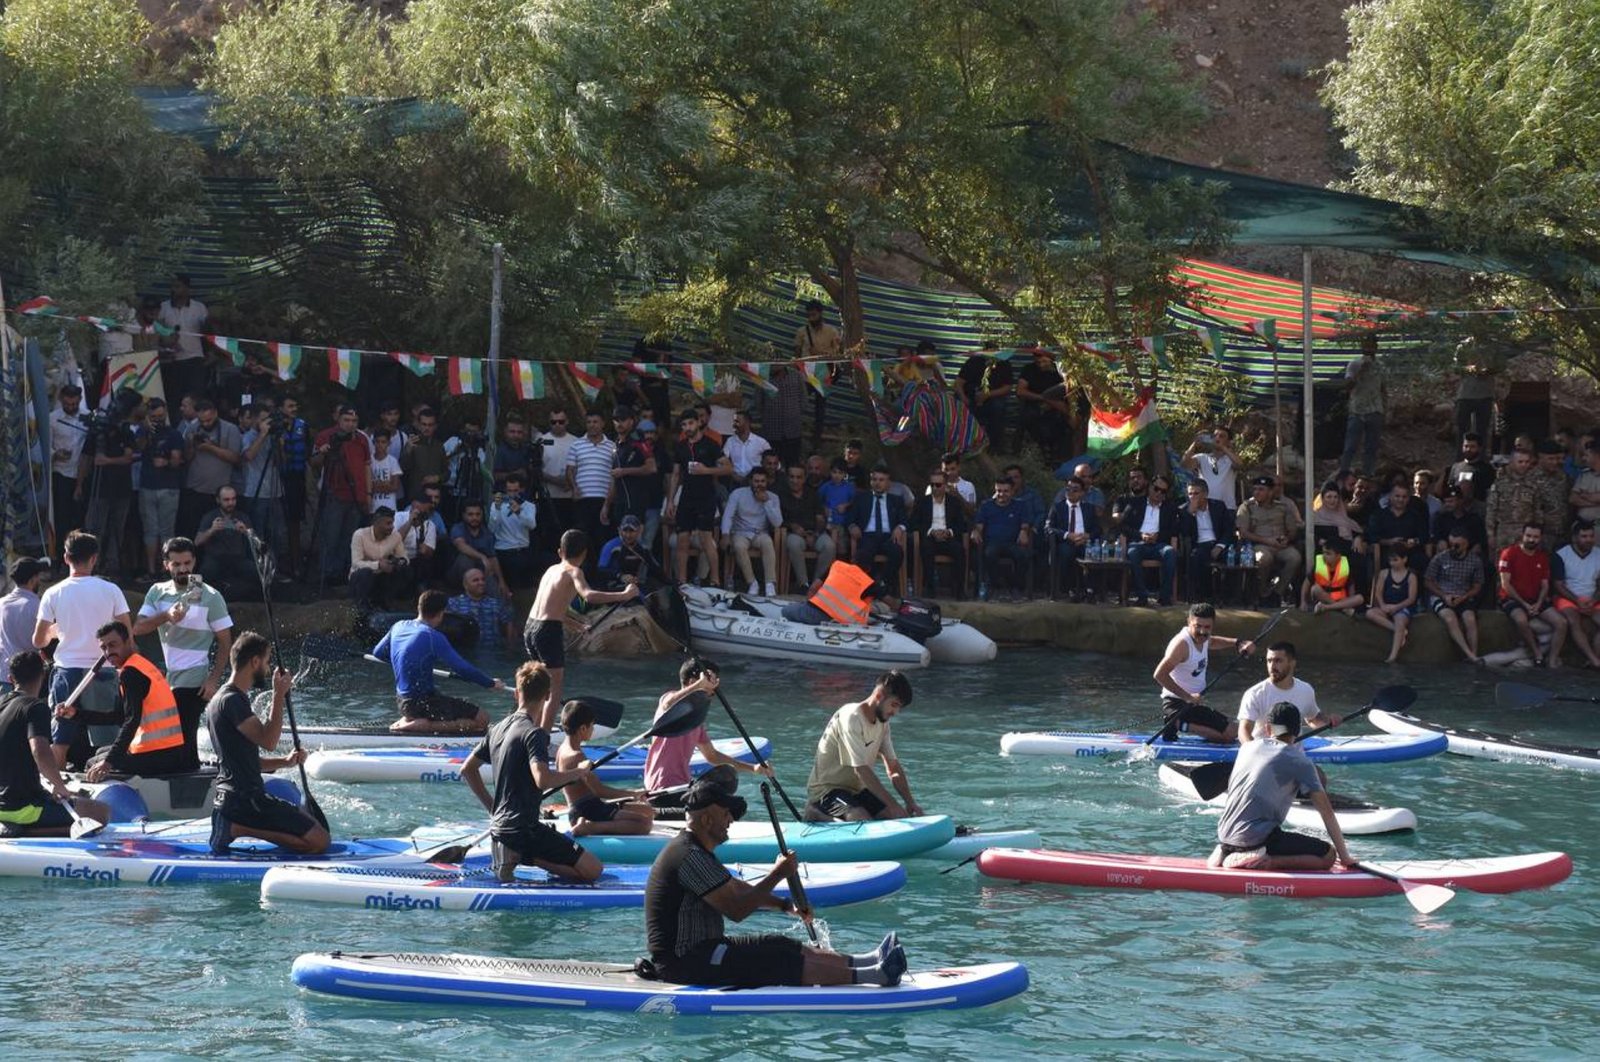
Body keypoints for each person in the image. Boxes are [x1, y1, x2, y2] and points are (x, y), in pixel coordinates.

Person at [644, 774, 905, 988]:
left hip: (708, 949)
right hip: (684, 965)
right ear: (707, 818)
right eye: (726, 814)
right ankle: (875, 976)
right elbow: (737, 910)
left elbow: (735, 888)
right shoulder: (689, 856)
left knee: (778, 944)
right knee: (777, 960)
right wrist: (777, 874)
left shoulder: (696, 850)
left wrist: (783, 905)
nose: (731, 821)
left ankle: (866, 960)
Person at [460, 661, 605, 883]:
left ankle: (517, 853)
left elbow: (467, 769)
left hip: (500, 828)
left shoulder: (497, 729)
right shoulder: (533, 734)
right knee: (593, 870)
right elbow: (543, 780)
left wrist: (493, 809)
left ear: (516, 693)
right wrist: (578, 772)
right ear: (548, 696)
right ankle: (526, 857)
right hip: (524, 830)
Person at [205, 632, 329, 855]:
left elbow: (244, 761)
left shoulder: (219, 699)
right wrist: (279, 695)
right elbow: (269, 740)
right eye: (266, 661)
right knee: (320, 841)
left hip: (231, 799)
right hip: (246, 799)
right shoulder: (232, 701)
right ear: (254, 661)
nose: (268, 667)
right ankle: (236, 829)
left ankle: (233, 825)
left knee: (313, 834)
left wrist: (286, 761)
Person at [1209, 703, 1355, 871]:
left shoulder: (1247, 748)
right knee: (1328, 855)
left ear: (1268, 728)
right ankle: (1266, 861)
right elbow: (1326, 812)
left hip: (1225, 835)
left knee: (1264, 832)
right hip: (1256, 839)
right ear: (1297, 731)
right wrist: (1345, 857)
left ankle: (1227, 850)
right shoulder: (1299, 761)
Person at [523, 530, 640, 729]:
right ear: (584, 554)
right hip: (547, 631)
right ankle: (541, 740)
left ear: (560, 551)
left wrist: (577, 626)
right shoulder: (574, 571)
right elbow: (589, 596)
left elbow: (551, 610)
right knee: (554, 690)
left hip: (530, 628)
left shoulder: (551, 570)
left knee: (538, 687)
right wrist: (624, 595)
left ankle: (527, 729)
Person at [33, 532, 131, 769]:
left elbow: (38, 641)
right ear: (94, 559)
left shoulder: (53, 593)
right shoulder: (111, 590)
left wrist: (54, 632)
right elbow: (127, 635)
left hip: (67, 669)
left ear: (66, 557)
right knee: (107, 738)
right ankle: (111, 787)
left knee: (61, 738)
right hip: (105, 668)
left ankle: (56, 789)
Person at [133, 537, 232, 760]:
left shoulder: (210, 596)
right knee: (172, 738)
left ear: (194, 562)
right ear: (166, 564)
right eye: (176, 564)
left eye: (187, 563)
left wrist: (213, 680)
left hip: (194, 680)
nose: (183, 569)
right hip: (168, 679)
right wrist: (166, 616)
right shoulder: (158, 592)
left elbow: (225, 642)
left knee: (181, 737)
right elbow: (138, 628)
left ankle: (189, 776)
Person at [0, 651, 112, 836]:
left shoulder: (3, 705)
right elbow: (40, 750)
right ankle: (23, 832)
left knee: (71, 800)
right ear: (43, 675)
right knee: (101, 813)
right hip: (22, 808)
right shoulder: (35, 707)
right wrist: (59, 785)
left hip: (6, 803)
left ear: (10, 678)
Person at [643, 661, 773, 809]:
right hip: (662, 791)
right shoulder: (669, 701)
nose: (713, 692)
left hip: (683, 788)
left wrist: (753, 768)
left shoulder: (695, 722)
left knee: (731, 792)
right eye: (711, 685)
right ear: (693, 681)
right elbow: (668, 704)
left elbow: (712, 756)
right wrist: (698, 685)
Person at [372, 591, 503, 734]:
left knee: (443, 700)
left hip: (403, 702)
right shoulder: (433, 636)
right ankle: (422, 725)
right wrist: (489, 683)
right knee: (482, 719)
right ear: (441, 613)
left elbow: (378, 653)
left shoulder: (399, 626)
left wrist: (405, 663)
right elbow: (462, 668)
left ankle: (412, 720)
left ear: (419, 608)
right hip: (422, 703)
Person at [77, 622, 193, 779]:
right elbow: (119, 716)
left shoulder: (130, 673)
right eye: (103, 648)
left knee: (93, 763)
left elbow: (131, 721)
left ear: (128, 642)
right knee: (100, 752)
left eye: (113, 645)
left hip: (157, 754)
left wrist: (108, 762)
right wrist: (76, 714)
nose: (108, 652)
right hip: (170, 751)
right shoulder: (141, 664)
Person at [805, 670, 922, 822]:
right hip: (827, 790)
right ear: (879, 695)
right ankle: (814, 811)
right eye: (894, 705)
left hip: (856, 791)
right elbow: (861, 770)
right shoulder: (851, 717)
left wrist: (910, 803)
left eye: (899, 707)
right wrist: (893, 805)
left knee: (894, 817)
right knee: (861, 819)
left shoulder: (883, 724)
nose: (896, 712)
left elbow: (893, 769)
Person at [1153, 603, 1256, 743]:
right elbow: (1159, 674)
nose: (1202, 631)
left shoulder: (1204, 638)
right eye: (1198, 626)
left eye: (1207, 627)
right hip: (1177, 705)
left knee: (1235, 731)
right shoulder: (1181, 645)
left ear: (1212, 625)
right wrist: (1187, 696)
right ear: (1189, 622)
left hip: (1192, 705)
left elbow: (1212, 642)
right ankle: (1178, 723)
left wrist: (1238, 643)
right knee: (1233, 733)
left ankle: (1179, 723)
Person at [555, 698, 655, 836]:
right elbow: (599, 790)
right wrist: (633, 794)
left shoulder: (561, 750)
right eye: (592, 725)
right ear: (583, 728)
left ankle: (594, 824)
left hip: (582, 808)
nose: (593, 729)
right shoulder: (576, 756)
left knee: (648, 811)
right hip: (588, 812)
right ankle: (590, 827)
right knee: (644, 824)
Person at [666, 410, 731, 586]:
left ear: (698, 422)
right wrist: (671, 500)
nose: (687, 428)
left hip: (706, 496)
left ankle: (715, 580)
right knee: (682, 540)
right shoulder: (680, 446)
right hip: (686, 497)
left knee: (705, 539)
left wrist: (706, 470)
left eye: (690, 423)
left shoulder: (711, 444)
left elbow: (727, 468)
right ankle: (682, 581)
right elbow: (676, 474)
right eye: (684, 425)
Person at [310, 405, 372, 585]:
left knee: (350, 537)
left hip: (357, 495)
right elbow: (314, 462)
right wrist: (323, 452)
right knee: (331, 535)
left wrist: (368, 494)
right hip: (334, 493)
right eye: (346, 420)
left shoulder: (362, 439)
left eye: (354, 421)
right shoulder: (326, 435)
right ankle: (326, 575)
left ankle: (342, 574)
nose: (350, 424)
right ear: (339, 420)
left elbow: (367, 466)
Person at [1236, 642, 1340, 742]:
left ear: (1292, 663)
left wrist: (1328, 722)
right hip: (1264, 754)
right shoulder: (1254, 693)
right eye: (1269, 661)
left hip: (1294, 754)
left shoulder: (1305, 689)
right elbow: (1243, 731)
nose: (1272, 666)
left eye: (1278, 661)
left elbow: (1313, 720)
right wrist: (1251, 751)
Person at [1498, 523, 1568, 667]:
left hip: (1536, 599)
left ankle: (1552, 660)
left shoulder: (1542, 557)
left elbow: (1545, 585)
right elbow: (1506, 584)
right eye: (1528, 536)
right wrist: (1524, 604)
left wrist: (1538, 603)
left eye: (1535, 537)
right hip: (1512, 598)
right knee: (1521, 620)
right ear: (1522, 536)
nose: (1531, 539)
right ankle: (1537, 654)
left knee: (1562, 623)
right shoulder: (1509, 553)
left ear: (1540, 538)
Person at [134, 397, 186, 578]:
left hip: (169, 487)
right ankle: (151, 570)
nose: (158, 420)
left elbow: (177, 460)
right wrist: (146, 432)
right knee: (150, 530)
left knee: (166, 531)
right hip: (147, 486)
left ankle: (166, 570)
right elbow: (138, 448)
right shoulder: (143, 431)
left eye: (161, 416)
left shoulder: (174, 434)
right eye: (154, 417)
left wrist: (166, 462)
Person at [1238, 475, 1303, 606]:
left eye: (1261, 489)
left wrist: (1288, 538)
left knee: (1295, 557)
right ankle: (1262, 592)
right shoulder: (1247, 507)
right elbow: (1243, 533)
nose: (1257, 492)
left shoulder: (1282, 508)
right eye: (1255, 489)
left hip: (1280, 545)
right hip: (1258, 545)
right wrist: (1267, 541)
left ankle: (1277, 593)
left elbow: (1292, 530)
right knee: (1264, 558)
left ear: (1271, 492)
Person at [1424, 531, 1485, 664]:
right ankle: (1470, 655)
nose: (1453, 548)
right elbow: (1428, 581)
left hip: (1464, 595)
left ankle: (1474, 652)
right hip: (1442, 595)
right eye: (1451, 544)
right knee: (1450, 618)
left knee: (1469, 618)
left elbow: (1477, 586)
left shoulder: (1475, 561)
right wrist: (1443, 595)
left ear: (1466, 544)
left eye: (1457, 545)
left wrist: (1465, 596)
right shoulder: (1440, 558)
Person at [1118, 473, 1179, 607]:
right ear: (1150, 487)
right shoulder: (1135, 503)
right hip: (1139, 542)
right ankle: (1142, 595)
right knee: (1133, 552)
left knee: (1170, 552)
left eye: (1163, 491)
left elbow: (1173, 530)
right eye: (1156, 489)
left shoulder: (1170, 508)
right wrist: (1141, 535)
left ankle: (1164, 596)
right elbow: (1123, 526)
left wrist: (1158, 535)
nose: (1158, 493)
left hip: (1159, 544)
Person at [721, 467, 784, 595]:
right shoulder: (738, 494)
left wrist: (766, 502)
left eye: (762, 481)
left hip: (760, 533)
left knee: (768, 543)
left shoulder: (773, 497)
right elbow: (728, 515)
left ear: (767, 482)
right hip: (740, 532)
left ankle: (770, 583)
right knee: (739, 546)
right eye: (756, 481)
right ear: (750, 481)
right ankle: (752, 582)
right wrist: (725, 534)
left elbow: (778, 522)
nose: (759, 484)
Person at [567, 409, 617, 565]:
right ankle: (584, 573)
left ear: (602, 424)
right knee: (582, 537)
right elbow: (570, 470)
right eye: (589, 422)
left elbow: (614, 475)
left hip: (603, 500)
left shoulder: (612, 446)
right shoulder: (576, 445)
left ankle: (602, 573)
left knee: (601, 537)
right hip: (583, 499)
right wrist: (574, 488)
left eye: (595, 422)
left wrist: (609, 502)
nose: (592, 425)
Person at [971, 475, 1033, 601]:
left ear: (1012, 491)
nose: (1001, 494)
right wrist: (976, 532)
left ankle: (1016, 588)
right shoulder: (986, 506)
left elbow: (1025, 524)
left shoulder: (1020, 505)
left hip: (1013, 543)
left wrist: (1024, 531)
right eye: (999, 491)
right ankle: (994, 587)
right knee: (989, 554)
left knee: (1023, 555)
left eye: (1005, 491)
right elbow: (979, 526)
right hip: (992, 543)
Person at [778, 464, 835, 594]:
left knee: (829, 546)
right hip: (794, 533)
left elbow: (820, 518)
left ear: (804, 479)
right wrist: (792, 526)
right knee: (793, 543)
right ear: (787, 478)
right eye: (792, 477)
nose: (795, 480)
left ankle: (816, 586)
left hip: (815, 532)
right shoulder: (781, 495)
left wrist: (815, 534)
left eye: (799, 477)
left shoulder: (812, 494)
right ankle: (803, 584)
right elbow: (777, 520)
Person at [848, 466, 908, 587]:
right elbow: (850, 518)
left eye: (881, 480)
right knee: (863, 554)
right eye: (874, 479)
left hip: (888, 537)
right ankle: (866, 587)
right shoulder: (861, 498)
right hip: (867, 536)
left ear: (888, 483)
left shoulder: (896, 500)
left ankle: (883, 584)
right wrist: (852, 526)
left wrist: (900, 528)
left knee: (897, 552)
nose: (877, 483)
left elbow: (905, 520)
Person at [914, 470, 970, 598]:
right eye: (932, 484)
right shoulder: (922, 501)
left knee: (959, 550)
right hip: (930, 537)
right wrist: (931, 531)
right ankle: (929, 588)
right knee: (926, 548)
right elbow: (914, 523)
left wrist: (949, 532)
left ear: (945, 485)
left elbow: (961, 524)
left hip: (948, 537)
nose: (934, 487)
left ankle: (959, 590)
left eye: (938, 485)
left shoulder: (954, 502)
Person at [1178, 478, 1234, 604]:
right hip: (1199, 544)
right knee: (1196, 557)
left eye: (1196, 494)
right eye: (1190, 494)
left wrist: (1220, 546)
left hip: (1217, 543)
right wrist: (1190, 513)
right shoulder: (1184, 509)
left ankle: (1230, 596)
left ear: (1205, 494)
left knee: (1232, 558)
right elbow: (1184, 533)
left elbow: (1228, 530)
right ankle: (1203, 596)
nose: (1192, 497)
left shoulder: (1218, 506)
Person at [1553, 519, 1600, 668]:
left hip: (1592, 598)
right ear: (1575, 538)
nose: (1588, 540)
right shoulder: (1561, 555)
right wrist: (1577, 601)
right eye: (1584, 536)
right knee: (1573, 620)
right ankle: (1593, 659)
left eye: (1591, 536)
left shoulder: (1599, 554)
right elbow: (1558, 585)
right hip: (1567, 597)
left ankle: (1594, 658)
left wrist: (1593, 601)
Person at [194, 485, 257, 594]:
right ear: (218, 500)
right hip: (215, 558)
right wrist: (212, 530)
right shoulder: (210, 516)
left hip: (238, 558)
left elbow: (258, 543)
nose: (230, 503)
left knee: (258, 574)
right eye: (226, 500)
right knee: (197, 580)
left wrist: (246, 532)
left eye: (233, 499)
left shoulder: (242, 516)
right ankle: (192, 606)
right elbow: (197, 542)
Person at [156, 275, 208, 404]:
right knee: (174, 399)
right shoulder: (163, 307)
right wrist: (167, 343)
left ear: (187, 289)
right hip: (172, 360)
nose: (174, 290)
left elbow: (207, 334)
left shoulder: (200, 308)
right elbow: (156, 332)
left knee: (195, 398)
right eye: (172, 286)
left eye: (178, 286)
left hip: (195, 359)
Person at [49, 384, 88, 555]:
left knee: (80, 516)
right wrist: (56, 454)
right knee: (62, 517)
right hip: (61, 473)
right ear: (61, 401)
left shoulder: (87, 417)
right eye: (67, 404)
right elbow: (46, 445)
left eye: (74, 404)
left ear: (79, 400)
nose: (71, 408)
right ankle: (61, 555)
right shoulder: (53, 418)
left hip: (83, 474)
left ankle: (81, 554)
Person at [1340, 333, 1385, 474]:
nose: (1369, 348)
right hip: (1357, 410)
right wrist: (1361, 370)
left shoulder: (1380, 366)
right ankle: (1344, 472)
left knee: (1371, 447)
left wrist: (1386, 409)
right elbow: (1347, 386)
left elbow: (1383, 388)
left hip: (1375, 410)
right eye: (1366, 345)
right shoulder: (1354, 364)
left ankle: (1368, 475)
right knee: (1350, 446)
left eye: (1372, 345)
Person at [1366, 548, 1420, 663]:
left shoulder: (1411, 576)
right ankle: (1399, 631)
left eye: (1395, 560)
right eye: (1390, 560)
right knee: (1370, 613)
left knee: (1400, 621)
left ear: (1404, 559)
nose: (1392, 563)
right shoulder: (1384, 573)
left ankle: (1393, 656)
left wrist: (1396, 607)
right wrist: (1383, 605)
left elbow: (1411, 598)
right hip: (1386, 606)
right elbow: (1378, 593)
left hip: (1402, 607)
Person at [490, 472, 540, 591]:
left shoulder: (529, 506)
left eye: (515, 491)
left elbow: (532, 525)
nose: (512, 494)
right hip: (504, 551)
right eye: (509, 491)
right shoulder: (496, 505)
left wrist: (519, 512)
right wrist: (497, 510)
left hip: (523, 551)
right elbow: (492, 528)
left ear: (521, 489)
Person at [1015, 348, 1069, 457]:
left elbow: (1068, 389)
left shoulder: (1059, 371)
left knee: (1063, 422)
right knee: (1029, 417)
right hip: (1035, 402)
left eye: (1043, 359)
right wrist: (1043, 398)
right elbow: (1020, 391)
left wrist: (1051, 403)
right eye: (1037, 358)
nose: (1040, 362)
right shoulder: (1029, 369)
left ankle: (1058, 452)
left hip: (1056, 405)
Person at [0, 558, 48, 683]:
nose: (40, 580)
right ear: (32, 580)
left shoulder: (1, 604)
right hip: (30, 679)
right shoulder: (38, 606)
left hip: (4, 675)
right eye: (38, 576)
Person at [447, 567, 517, 646]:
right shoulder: (453, 603)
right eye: (475, 580)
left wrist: (509, 646)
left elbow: (509, 623)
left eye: (483, 579)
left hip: (493, 651)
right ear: (465, 585)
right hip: (466, 651)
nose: (481, 582)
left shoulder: (495, 603)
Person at [598, 515, 668, 592]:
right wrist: (620, 576)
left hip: (634, 587)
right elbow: (601, 570)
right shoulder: (611, 546)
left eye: (631, 531)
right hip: (611, 587)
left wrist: (676, 583)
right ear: (619, 530)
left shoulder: (642, 549)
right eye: (625, 531)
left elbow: (656, 570)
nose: (628, 535)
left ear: (639, 531)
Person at [447, 500, 504, 593]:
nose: (474, 518)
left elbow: (493, 559)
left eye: (478, 514)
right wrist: (482, 557)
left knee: (498, 590)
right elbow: (461, 545)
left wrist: (502, 582)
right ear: (464, 515)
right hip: (456, 574)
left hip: (481, 574)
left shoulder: (487, 533)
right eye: (470, 514)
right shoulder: (458, 528)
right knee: (465, 559)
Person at [1181, 426, 1241, 509]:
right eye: (1215, 435)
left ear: (1228, 442)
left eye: (1221, 436)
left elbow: (1239, 465)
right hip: (1205, 508)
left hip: (1227, 508)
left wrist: (1224, 448)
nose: (1217, 438)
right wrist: (1194, 444)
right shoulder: (1202, 457)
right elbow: (1185, 464)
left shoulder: (1230, 459)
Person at [1302, 538, 1365, 615]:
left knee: (1359, 598)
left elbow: (1351, 585)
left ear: (1338, 556)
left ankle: (1327, 607)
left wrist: (1350, 602)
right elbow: (1306, 582)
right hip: (1322, 597)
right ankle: (1342, 609)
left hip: (1341, 600)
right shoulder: (1319, 564)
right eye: (1323, 553)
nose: (1324, 556)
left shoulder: (1345, 566)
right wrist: (1303, 602)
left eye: (1328, 553)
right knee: (1315, 589)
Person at [721, 410, 770, 487]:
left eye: (737, 422)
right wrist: (733, 474)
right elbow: (722, 461)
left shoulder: (761, 442)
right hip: (735, 481)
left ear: (747, 423)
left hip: (757, 482)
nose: (734, 425)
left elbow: (771, 461)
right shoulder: (730, 441)